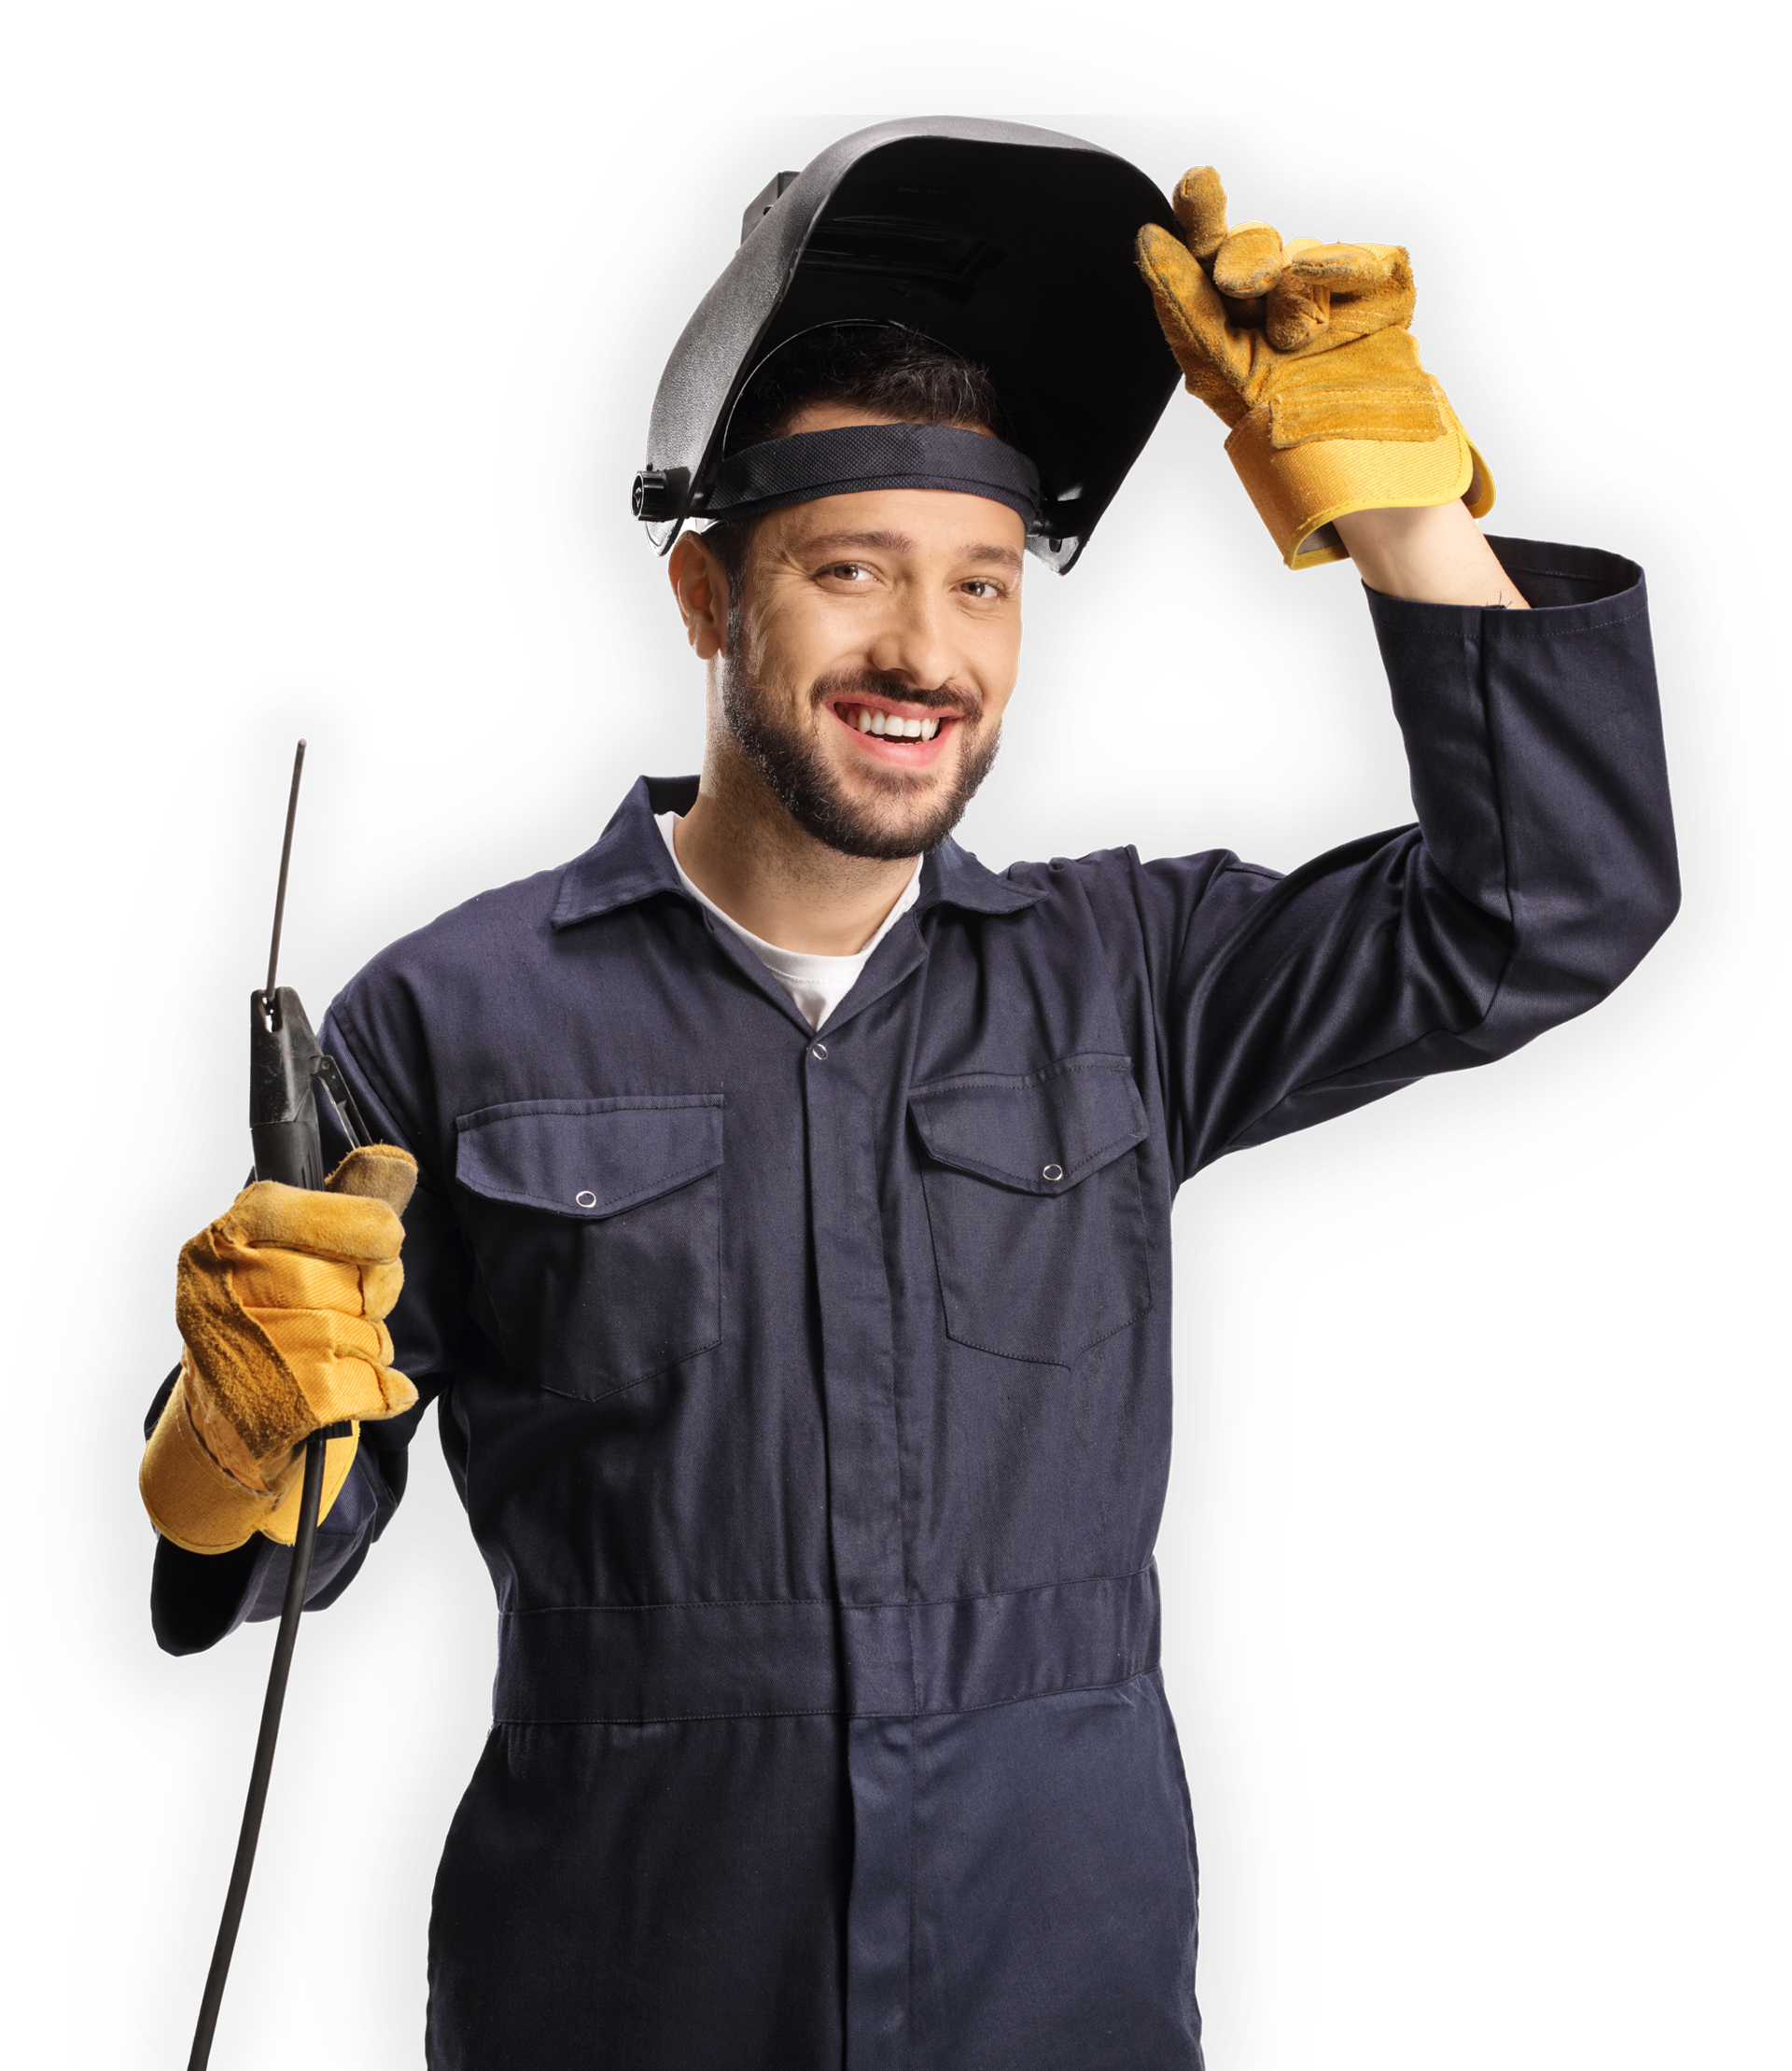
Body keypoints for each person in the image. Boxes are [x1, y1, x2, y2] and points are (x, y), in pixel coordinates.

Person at [141, 160, 1678, 2070]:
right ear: (707, 590)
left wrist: (1391, 490)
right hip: (620, 1989)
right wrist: (219, 1431)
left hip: (1062, 1984)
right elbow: (290, 1528)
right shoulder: (449, 1014)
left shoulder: (1130, 973)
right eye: (852, 569)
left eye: (982, 584)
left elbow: (1550, 905)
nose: (927, 655)